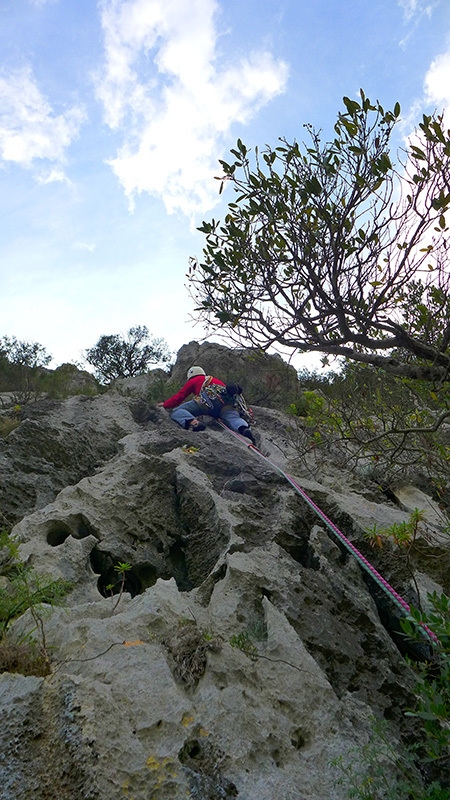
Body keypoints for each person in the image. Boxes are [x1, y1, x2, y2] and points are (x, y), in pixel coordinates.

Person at [158, 366, 256, 444]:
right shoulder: (217, 382)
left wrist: (166, 404)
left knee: (177, 411)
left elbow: (180, 396)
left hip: (207, 403)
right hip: (228, 405)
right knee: (232, 418)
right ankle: (243, 428)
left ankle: (194, 423)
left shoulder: (194, 380)